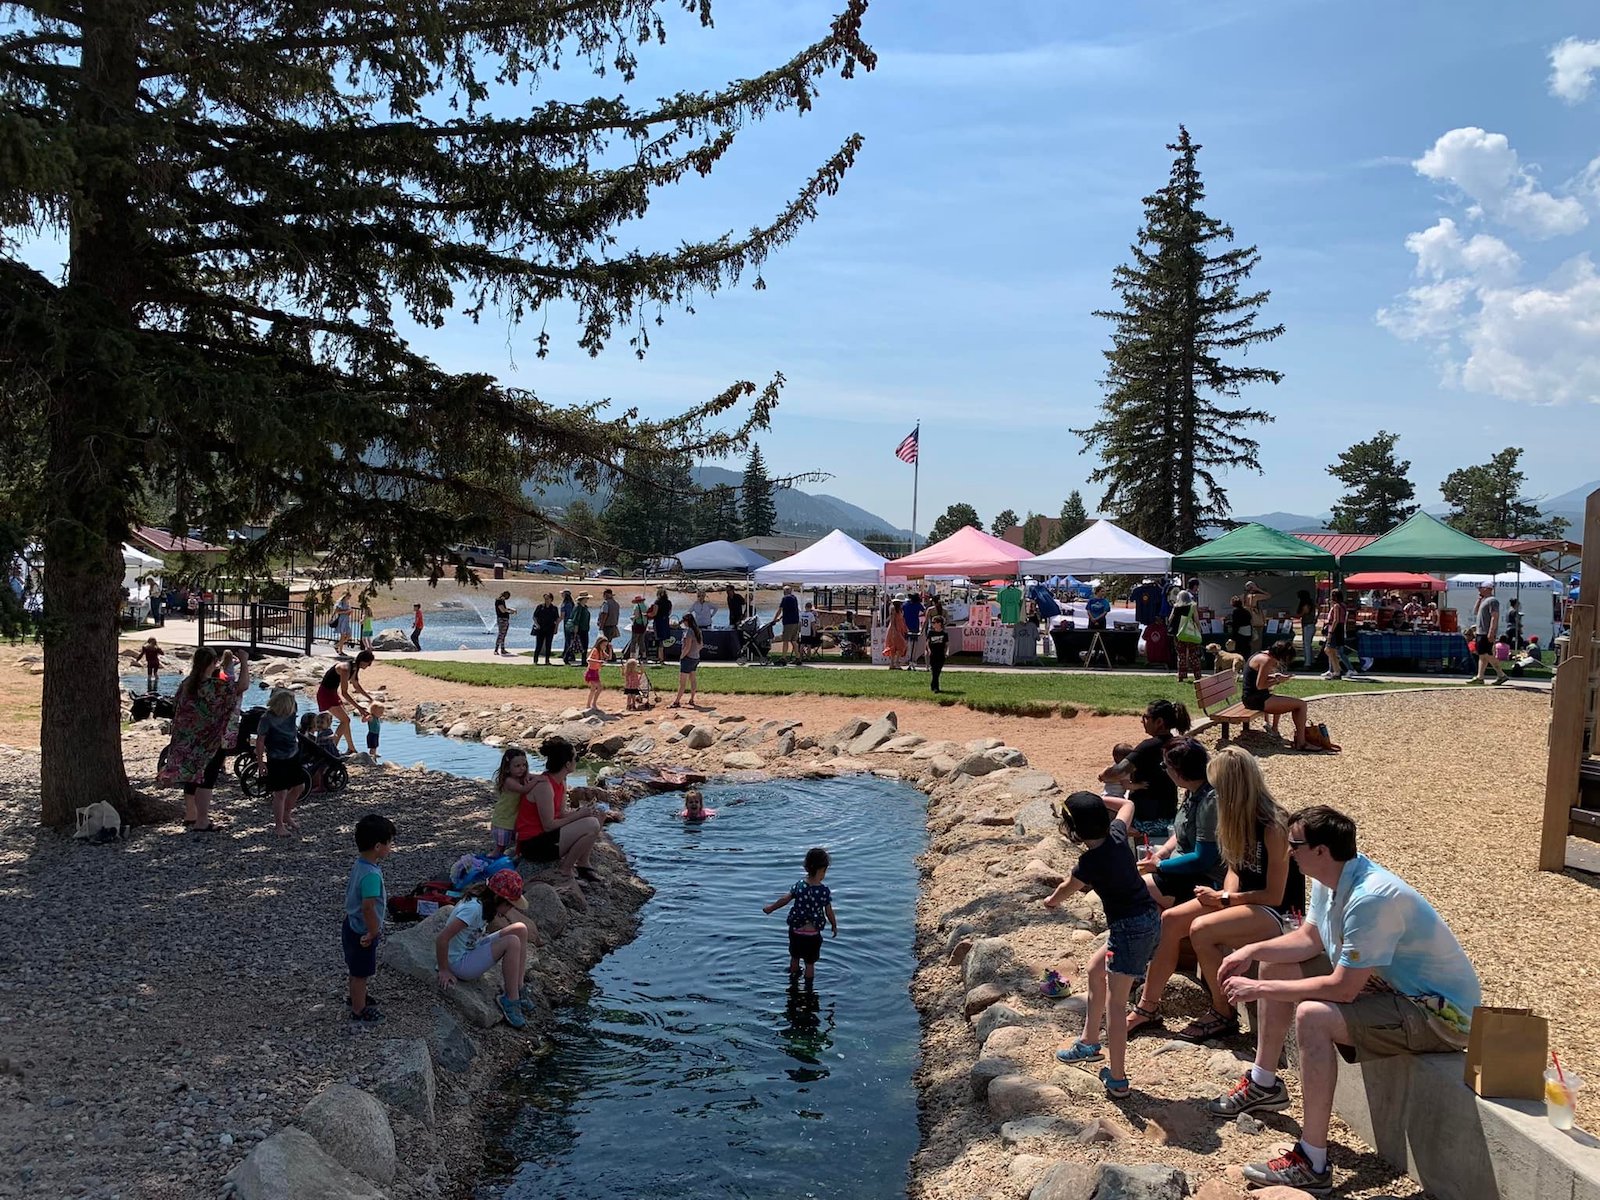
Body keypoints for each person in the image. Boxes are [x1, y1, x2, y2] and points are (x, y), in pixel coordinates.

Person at [1208, 805, 1481, 1195]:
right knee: (1274, 964)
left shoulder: (1372, 898)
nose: (1287, 852)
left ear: (1321, 850)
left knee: (1313, 1017)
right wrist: (1250, 951)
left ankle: (1312, 1161)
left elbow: (1342, 990)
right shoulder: (1329, 877)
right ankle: (1264, 1083)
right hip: (1393, 989)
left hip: (1440, 1014)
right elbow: (1308, 940)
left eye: (1295, 845)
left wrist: (1259, 990)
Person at [1127, 745, 1303, 1041]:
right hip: (1242, 900)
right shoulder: (1236, 816)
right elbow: (1235, 868)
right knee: (1170, 920)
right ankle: (1148, 1007)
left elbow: (1274, 895)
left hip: (1279, 912)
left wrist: (1225, 900)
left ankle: (1223, 1012)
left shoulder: (1274, 825)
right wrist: (1224, 897)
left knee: (1202, 930)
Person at [1044, 791, 1160, 1099]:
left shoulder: (1089, 862)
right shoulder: (1119, 835)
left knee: (1117, 1005)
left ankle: (1118, 1078)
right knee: (1096, 970)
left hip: (1129, 930)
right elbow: (1127, 804)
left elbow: (1064, 889)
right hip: (1147, 919)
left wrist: (1051, 902)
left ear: (1074, 830)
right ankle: (1089, 1042)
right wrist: (1099, 800)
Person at [434, 868, 534, 1029]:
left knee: (520, 929)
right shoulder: (472, 909)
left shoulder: (484, 901)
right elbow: (442, 939)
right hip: (460, 963)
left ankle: (518, 987)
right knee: (512, 942)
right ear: (497, 898)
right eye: (509, 905)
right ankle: (510, 999)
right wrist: (444, 969)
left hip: (471, 947)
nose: (510, 909)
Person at [164, 647, 251, 832]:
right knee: (207, 777)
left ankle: (190, 815)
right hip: (210, 739)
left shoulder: (187, 683)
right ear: (214, 663)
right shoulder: (214, 686)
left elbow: (177, 707)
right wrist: (244, 661)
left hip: (187, 739)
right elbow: (242, 686)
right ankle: (202, 820)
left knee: (192, 773)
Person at [1136, 737, 1222, 909]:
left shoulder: (1210, 801)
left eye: (1164, 766)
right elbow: (1182, 830)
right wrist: (1161, 854)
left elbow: (1202, 858)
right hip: (1184, 867)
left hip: (1207, 879)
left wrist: (1160, 866)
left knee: (1138, 888)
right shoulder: (1193, 791)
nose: (1164, 770)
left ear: (1177, 771)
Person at [514, 736, 604, 885]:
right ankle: (565, 870)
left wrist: (582, 813)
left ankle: (583, 863)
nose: (577, 761)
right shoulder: (544, 786)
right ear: (567, 764)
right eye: (576, 758)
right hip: (534, 844)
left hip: (548, 835)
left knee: (599, 815)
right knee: (592, 824)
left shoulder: (561, 781)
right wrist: (579, 815)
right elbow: (548, 825)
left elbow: (561, 814)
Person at [1098, 699, 1191, 841]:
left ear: (1159, 722)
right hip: (1168, 816)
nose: (1142, 721)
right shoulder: (1176, 744)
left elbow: (1118, 772)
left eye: (1145, 717)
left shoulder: (1149, 747)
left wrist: (1103, 775)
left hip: (1145, 821)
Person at [343, 813, 395, 1027]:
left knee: (356, 968)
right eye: (389, 843)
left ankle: (358, 996)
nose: (391, 847)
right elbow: (368, 906)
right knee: (360, 972)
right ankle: (358, 1008)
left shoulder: (361, 864)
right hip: (362, 931)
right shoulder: (371, 876)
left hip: (350, 924)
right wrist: (373, 931)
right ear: (377, 846)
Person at [762, 847, 838, 984]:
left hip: (796, 931)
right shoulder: (823, 891)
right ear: (822, 870)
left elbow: (785, 899)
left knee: (794, 957)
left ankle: (793, 981)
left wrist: (771, 908)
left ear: (807, 867)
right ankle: (809, 988)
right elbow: (829, 912)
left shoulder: (799, 886)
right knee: (810, 963)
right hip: (812, 934)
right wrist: (834, 925)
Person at [1242, 639, 1315, 750]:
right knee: (1301, 705)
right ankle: (1301, 743)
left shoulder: (1261, 654)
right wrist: (1278, 681)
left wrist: (1275, 676)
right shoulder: (1267, 660)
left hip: (1251, 697)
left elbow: (1257, 678)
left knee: (1290, 702)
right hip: (1256, 699)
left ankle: (1295, 737)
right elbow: (1260, 685)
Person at [255, 686, 307, 837]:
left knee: (299, 786)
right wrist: (260, 762)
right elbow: (260, 741)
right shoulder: (267, 718)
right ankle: (278, 825)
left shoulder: (292, 713)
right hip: (276, 758)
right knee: (280, 792)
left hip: (293, 755)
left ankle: (287, 814)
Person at [316, 650, 374, 755]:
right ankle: (332, 748)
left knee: (346, 720)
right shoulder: (345, 669)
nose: (369, 666)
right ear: (363, 661)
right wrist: (359, 708)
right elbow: (344, 693)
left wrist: (370, 698)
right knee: (345, 720)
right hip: (325, 694)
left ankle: (351, 749)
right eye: (369, 663)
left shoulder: (354, 667)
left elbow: (356, 685)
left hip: (332, 693)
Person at [490, 747, 538, 853]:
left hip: (512, 820)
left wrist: (544, 777)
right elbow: (524, 789)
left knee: (515, 844)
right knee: (500, 848)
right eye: (517, 766)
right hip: (503, 821)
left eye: (524, 765)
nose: (522, 768)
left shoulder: (521, 777)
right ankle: (491, 860)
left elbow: (535, 777)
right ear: (507, 768)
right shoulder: (509, 781)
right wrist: (538, 780)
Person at [1319, 589, 1360, 680]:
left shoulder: (1336, 606)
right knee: (1332, 650)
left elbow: (1336, 620)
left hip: (1335, 629)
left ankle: (1337, 670)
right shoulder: (1343, 606)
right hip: (1340, 628)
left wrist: (1330, 632)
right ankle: (1335, 669)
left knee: (1329, 650)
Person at [1472, 583, 1506, 685]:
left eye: (1481, 588)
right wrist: (1479, 600)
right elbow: (1475, 611)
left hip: (1485, 632)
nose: (1479, 590)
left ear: (1487, 589)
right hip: (1480, 631)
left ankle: (1501, 675)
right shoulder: (1484, 601)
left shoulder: (1493, 601)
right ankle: (1480, 676)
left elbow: (1494, 616)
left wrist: (1491, 631)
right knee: (1482, 655)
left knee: (1487, 654)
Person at [1168, 589, 1203, 683]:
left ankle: (1181, 676)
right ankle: (1198, 676)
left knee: (1181, 655)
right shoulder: (1193, 606)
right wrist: (1199, 631)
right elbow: (1196, 620)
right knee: (1194, 655)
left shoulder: (1176, 607)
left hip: (1179, 634)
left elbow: (1170, 619)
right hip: (1190, 633)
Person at [671, 614, 703, 708]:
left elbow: (687, 647)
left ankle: (677, 701)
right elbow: (701, 645)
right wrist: (695, 652)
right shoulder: (698, 631)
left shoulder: (689, 631)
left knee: (682, 683)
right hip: (696, 657)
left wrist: (682, 656)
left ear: (687, 621)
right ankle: (692, 699)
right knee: (693, 679)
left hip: (688, 658)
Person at [584, 636, 612, 711]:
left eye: (605, 646)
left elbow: (609, 658)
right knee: (599, 688)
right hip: (591, 672)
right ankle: (593, 704)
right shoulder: (595, 650)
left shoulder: (601, 651)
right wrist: (599, 662)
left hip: (596, 672)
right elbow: (589, 659)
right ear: (599, 644)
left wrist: (610, 649)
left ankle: (588, 704)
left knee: (593, 689)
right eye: (604, 645)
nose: (604, 647)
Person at [532, 592, 559, 664]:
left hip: (550, 629)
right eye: (545, 598)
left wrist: (556, 628)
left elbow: (557, 619)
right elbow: (534, 617)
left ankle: (547, 660)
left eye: (548, 598)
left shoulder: (554, 608)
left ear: (551, 599)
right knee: (539, 645)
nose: (546, 600)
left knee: (548, 645)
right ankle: (535, 660)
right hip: (540, 629)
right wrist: (537, 624)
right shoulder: (540, 607)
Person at [777, 585, 801, 665]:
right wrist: (780, 618)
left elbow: (780, 610)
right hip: (796, 622)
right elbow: (790, 610)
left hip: (788, 623)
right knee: (794, 641)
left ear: (785, 591)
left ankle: (783, 658)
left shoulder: (785, 598)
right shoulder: (794, 598)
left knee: (785, 640)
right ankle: (798, 657)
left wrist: (774, 619)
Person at [649, 587, 672, 666]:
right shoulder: (669, 602)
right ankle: (661, 657)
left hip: (659, 621)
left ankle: (660, 657)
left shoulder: (657, 602)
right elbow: (669, 613)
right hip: (665, 621)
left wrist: (647, 615)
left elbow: (654, 613)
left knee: (659, 640)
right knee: (663, 640)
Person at [926, 615, 950, 693]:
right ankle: (936, 687)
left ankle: (933, 685)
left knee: (938, 671)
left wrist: (947, 652)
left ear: (939, 623)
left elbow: (947, 645)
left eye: (934, 622)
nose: (933, 624)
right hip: (933, 654)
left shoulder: (944, 634)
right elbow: (927, 643)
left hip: (941, 654)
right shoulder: (931, 633)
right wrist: (928, 650)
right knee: (934, 670)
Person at [622, 593, 648, 660]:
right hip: (644, 625)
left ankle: (632, 656)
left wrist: (632, 618)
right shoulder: (645, 606)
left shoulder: (636, 606)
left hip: (637, 625)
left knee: (634, 641)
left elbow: (636, 616)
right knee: (641, 641)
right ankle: (644, 655)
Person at [903, 590, 925, 668]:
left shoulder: (905, 604)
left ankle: (907, 659)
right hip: (915, 626)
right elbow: (925, 611)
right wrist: (918, 615)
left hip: (905, 626)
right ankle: (913, 659)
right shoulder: (918, 605)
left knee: (907, 643)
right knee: (914, 644)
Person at [884, 598, 908, 669]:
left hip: (899, 629)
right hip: (894, 630)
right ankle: (895, 663)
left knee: (897, 647)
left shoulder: (900, 610)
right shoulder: (893, 609)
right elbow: (892, 620)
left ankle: (893, 663)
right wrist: (894, 630)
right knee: (897, 645)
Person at [1229, 595, 1255, 659]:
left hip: (1240, 633)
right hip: (1248, 632)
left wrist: (1233, 636)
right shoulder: (1246, 611)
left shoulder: (1236, 612)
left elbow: (1236, 624)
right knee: (1247, 650)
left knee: (1239, 650)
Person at [1295, 590, 1317, 664]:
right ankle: (1311, 660)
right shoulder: (1311, 603)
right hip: (1310, 625)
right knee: (1308, 644)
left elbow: (1300, 615)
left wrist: (1289, 616)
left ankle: (1307, 663)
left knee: (1306, 645)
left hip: (1308, 626)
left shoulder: (1306, 605)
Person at [492, 590, 515, 656]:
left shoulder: (502, 601)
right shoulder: (499, 601)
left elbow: (505, 608)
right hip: (502, 619)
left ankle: (502, 649)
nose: (508, 598)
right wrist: (510, 612)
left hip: (505, 619)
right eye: (508, 596)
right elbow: (502, 610)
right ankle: (496, 650)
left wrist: (511, 609)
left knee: (504, 634)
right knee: (501, 634)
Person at [333, 590, 354, 657]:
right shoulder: (340, 602)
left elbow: (348, 610)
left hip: (347, 620)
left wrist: (349, 612)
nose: (349, 598)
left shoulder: (347, 602)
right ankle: (340, 651)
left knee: (349, 635)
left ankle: (337, 645)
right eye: (348, 596)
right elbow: (337, 611)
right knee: (342, 636)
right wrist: (346, 611)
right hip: (342, 620)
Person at [559, 589, 576, 663]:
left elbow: (562, 616)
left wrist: (556, 623)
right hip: (572, 623)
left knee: (567, 638)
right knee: (570, 638)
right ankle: (566, 653)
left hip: (567, 623)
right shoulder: (572, 604)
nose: (561, 595)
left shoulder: (564, 604)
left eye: (562, 594)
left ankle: (569, 654)